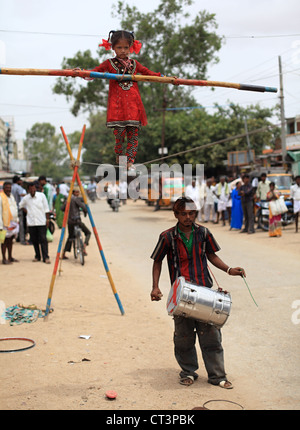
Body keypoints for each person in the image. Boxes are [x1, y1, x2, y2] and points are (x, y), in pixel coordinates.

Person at [150, 197, 246, 389]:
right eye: (183, 214)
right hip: (181, 295)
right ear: (176, 215)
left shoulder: (203, 233)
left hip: (204, 293)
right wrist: (155, 286)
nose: (188, 217)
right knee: (183, 337)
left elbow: (211, 255)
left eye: (191, 213)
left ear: (196, 214)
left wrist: (229, 270)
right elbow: (158, 261)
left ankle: (217, 376)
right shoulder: (167, 236)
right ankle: (188, 372)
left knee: (211, 334)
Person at [82, 30, 161, 169]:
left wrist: (163, 77)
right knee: (119, 135)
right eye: (119, 47)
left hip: (133, 106)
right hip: (117, 107)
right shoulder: (108, 64)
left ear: (130, 47)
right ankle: (120, 158)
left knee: (133, 135)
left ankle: (130, 161)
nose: (123, 51)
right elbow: (93, 73)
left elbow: (149, 73)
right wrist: (80, 73)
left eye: (126, 47)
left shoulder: (135, 65)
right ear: (113, 47)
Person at [19, 182, 51, 264]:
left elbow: (46, 208)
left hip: (41, 221)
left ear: (35, 189)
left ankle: (46, 257)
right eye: (31, 189)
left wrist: (47, 219)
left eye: (34, 188)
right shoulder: (26, 198)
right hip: (32, 222)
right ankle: (37, 256)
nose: (32, 190)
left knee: (43, 239)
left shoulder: (41, 196)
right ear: (28, 190)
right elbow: (20, 206)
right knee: (34, 240)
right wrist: (27, 212)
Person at [62, 187, 91, 258]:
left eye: (78, 192)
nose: (77, 194)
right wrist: (85, 213)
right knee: (88, 233)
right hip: (77, 221)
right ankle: (84, 246)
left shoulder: (67, 200)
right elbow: (84, 207)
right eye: (76, 192)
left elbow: (62, 208)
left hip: (70, 222)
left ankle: (64, 253)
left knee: (70, 237)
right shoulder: (76, 199)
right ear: (73, 193)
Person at [0, 181, 19, 264]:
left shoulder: (11, 196)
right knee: (3, 241)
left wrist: (16, 220)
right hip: (3, 224)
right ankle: (4, 258)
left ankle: (10, 257)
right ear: (3, 188)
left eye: (10, 188)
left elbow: (14, 208)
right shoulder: (1, 197)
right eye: (7, 188)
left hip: (11, 223)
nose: (8, 189)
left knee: (10, 240)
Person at [11, 175, 27, 245]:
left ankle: (11, 239)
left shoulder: (10, 187)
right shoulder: (18, 187)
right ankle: (22, 240)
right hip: (18, 208)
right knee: (21, 224)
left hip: (11, 208)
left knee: (12, 224)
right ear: (17, 181)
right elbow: (22, 196)